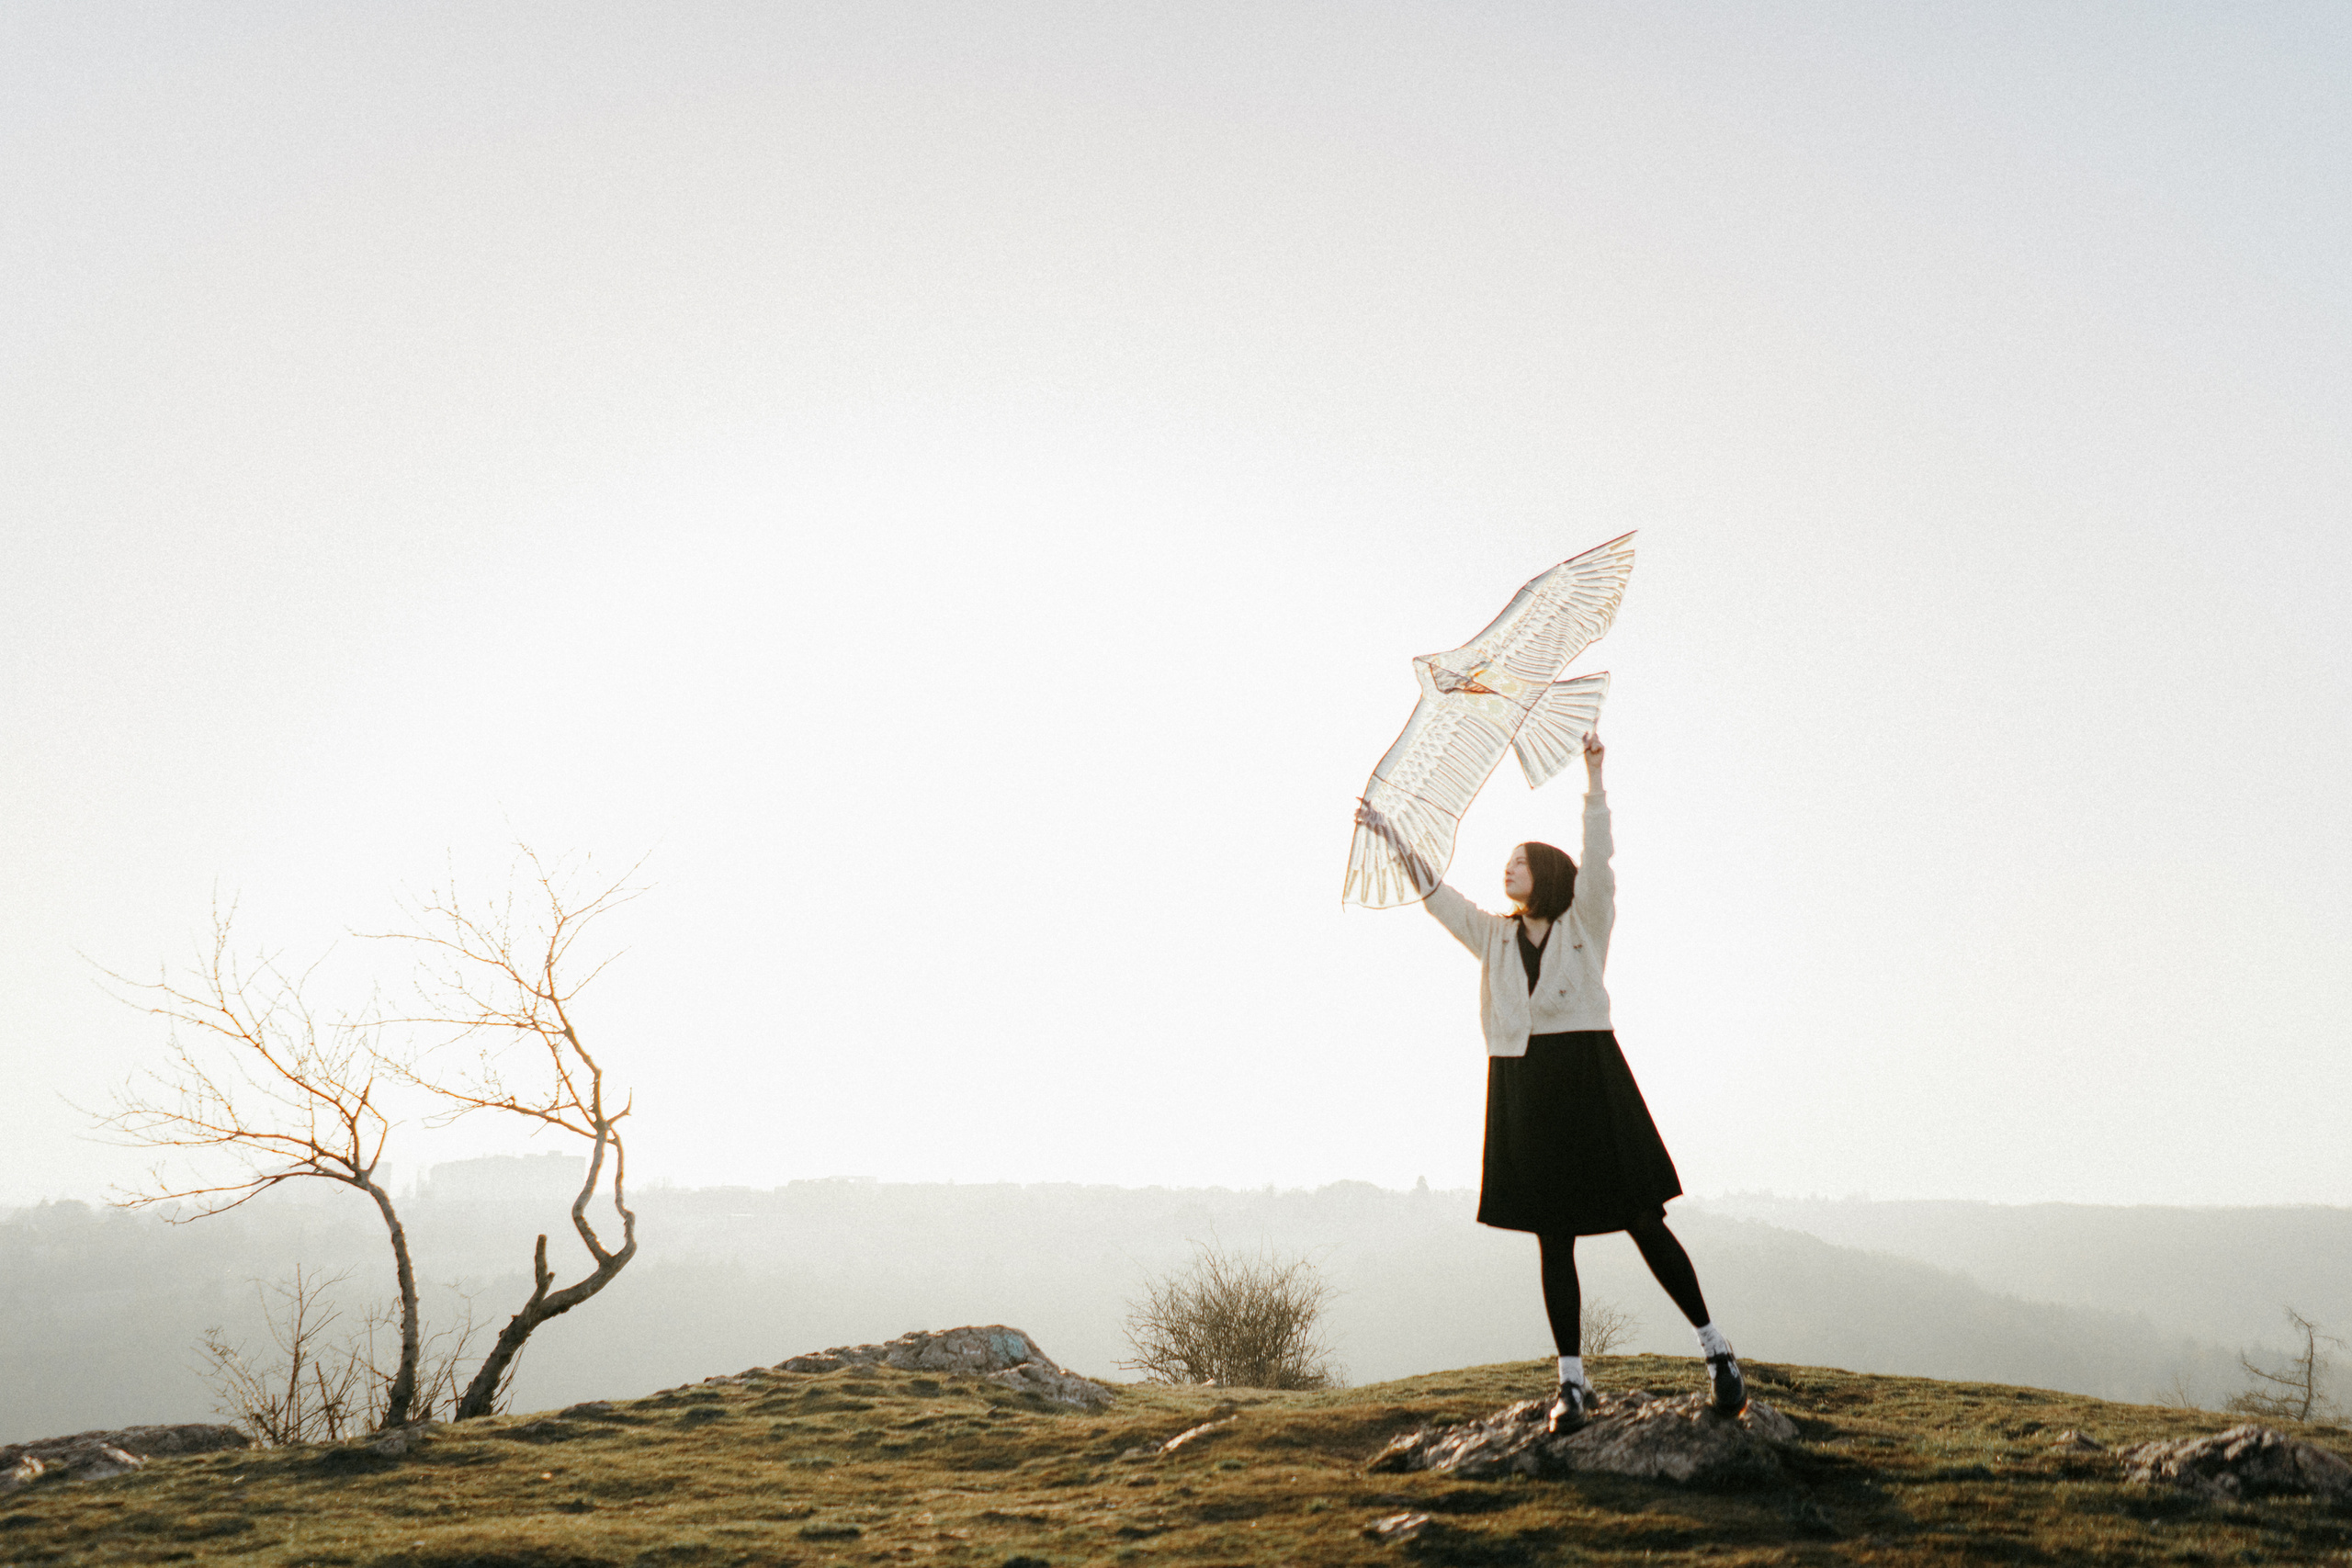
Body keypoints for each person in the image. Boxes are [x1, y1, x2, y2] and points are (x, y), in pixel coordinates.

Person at [1357, 730, 1744, 1434]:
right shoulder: (1495, 936)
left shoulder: (1585, 922)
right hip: (1525, 1086)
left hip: (1590, 1078)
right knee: (1553, 1237)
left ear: (1548, 873)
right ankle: (1572, 1384)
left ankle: (1717, 1353)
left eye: (1519, 863)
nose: (1507, 871)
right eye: (1505, 864)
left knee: (1642, 1218)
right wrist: (1390, 835)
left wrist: (1595, 780)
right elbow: (1439, 898)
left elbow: (1598, 860)